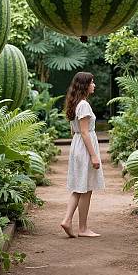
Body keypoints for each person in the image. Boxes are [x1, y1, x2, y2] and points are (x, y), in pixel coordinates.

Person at [60, 71, 105, 238]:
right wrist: (94, 155)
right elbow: (85, 132)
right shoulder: (84, 105)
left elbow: (75, 130)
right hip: (85, 147)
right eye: (92, 82)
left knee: (79, 187)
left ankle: (67, 220)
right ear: (85, 85)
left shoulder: (75, 103)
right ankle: (83, 228)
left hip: (77, 146)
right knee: (85, 189)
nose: (94, 85)